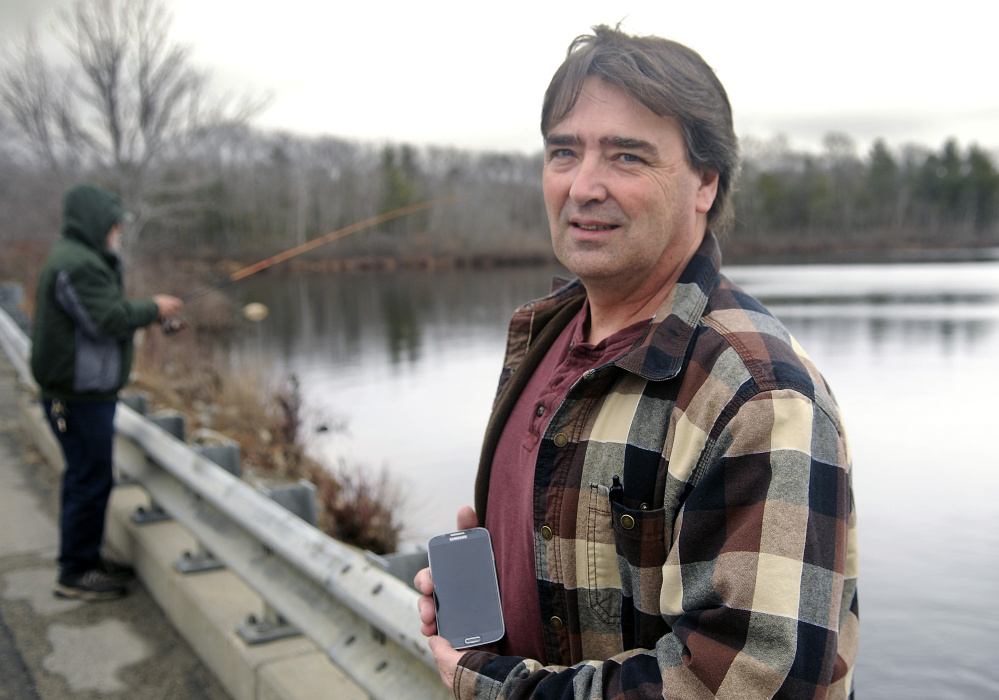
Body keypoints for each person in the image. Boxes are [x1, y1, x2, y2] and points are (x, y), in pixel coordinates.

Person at [415, 25, 858, 699]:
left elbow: (751, 682)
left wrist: (504, 690)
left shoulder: (758, 395)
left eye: (626, 157)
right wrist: (485, 609)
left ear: (704, 182)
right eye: (564, 152)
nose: (584, 185)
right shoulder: (546, 334)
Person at [31, 182, 183, 600]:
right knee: (89, 479)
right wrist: (153, 307)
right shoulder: (78, 264)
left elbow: (105, 312)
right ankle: (75, 572)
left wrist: (148, 310)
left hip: (82, 394)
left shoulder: (82, 259)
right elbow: (106, 318)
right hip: (79, 398)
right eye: (114, 222)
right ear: (95, 222)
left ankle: (85, 559)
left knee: (87, 476)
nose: (118, 229)